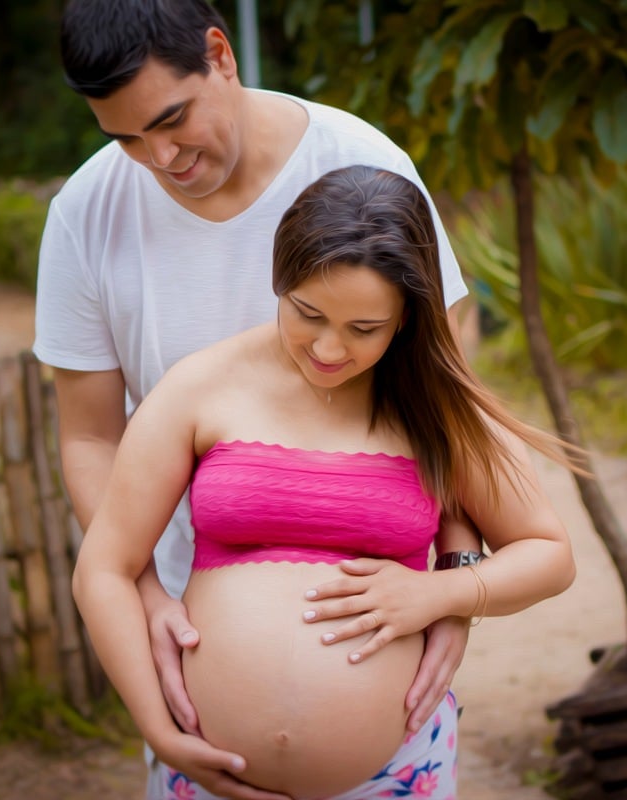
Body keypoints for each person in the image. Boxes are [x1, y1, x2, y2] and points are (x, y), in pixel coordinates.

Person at [34, 2, 485, 793]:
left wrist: (455, 579)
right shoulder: (83, 216)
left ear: (220, 54)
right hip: (192, 628)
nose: (160, 156)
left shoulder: (358, 161)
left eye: (172, 119)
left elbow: (444, 394)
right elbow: (90, 440)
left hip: (381, 616)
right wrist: (140, 592)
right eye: (126, 138)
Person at [72, 165, 577, 800]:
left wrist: (443, 594)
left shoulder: (435, 409)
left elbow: (549, 555)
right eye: (308, 314)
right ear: (279, 280)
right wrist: (159, 730)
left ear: (405, 319)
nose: (330, 350)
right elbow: (105, 568)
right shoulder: (202, 386)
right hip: (201, 768)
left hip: (393, 777)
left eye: (364, 329)